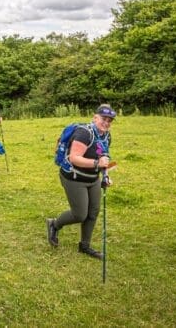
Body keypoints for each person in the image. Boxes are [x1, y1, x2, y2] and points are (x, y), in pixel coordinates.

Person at [46, 104, 116, 259]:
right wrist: (97, 164)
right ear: (95, 117)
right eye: (104, 119)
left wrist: (105, 174)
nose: (107, 122)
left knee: (93, 212)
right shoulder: (84, 133)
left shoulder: (106, 135)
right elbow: (74, 158)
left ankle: (85, 246)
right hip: (74, 177)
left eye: (110, 120)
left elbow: (102, 155)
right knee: (79, 214)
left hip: (93, 178)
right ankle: (54, 224)